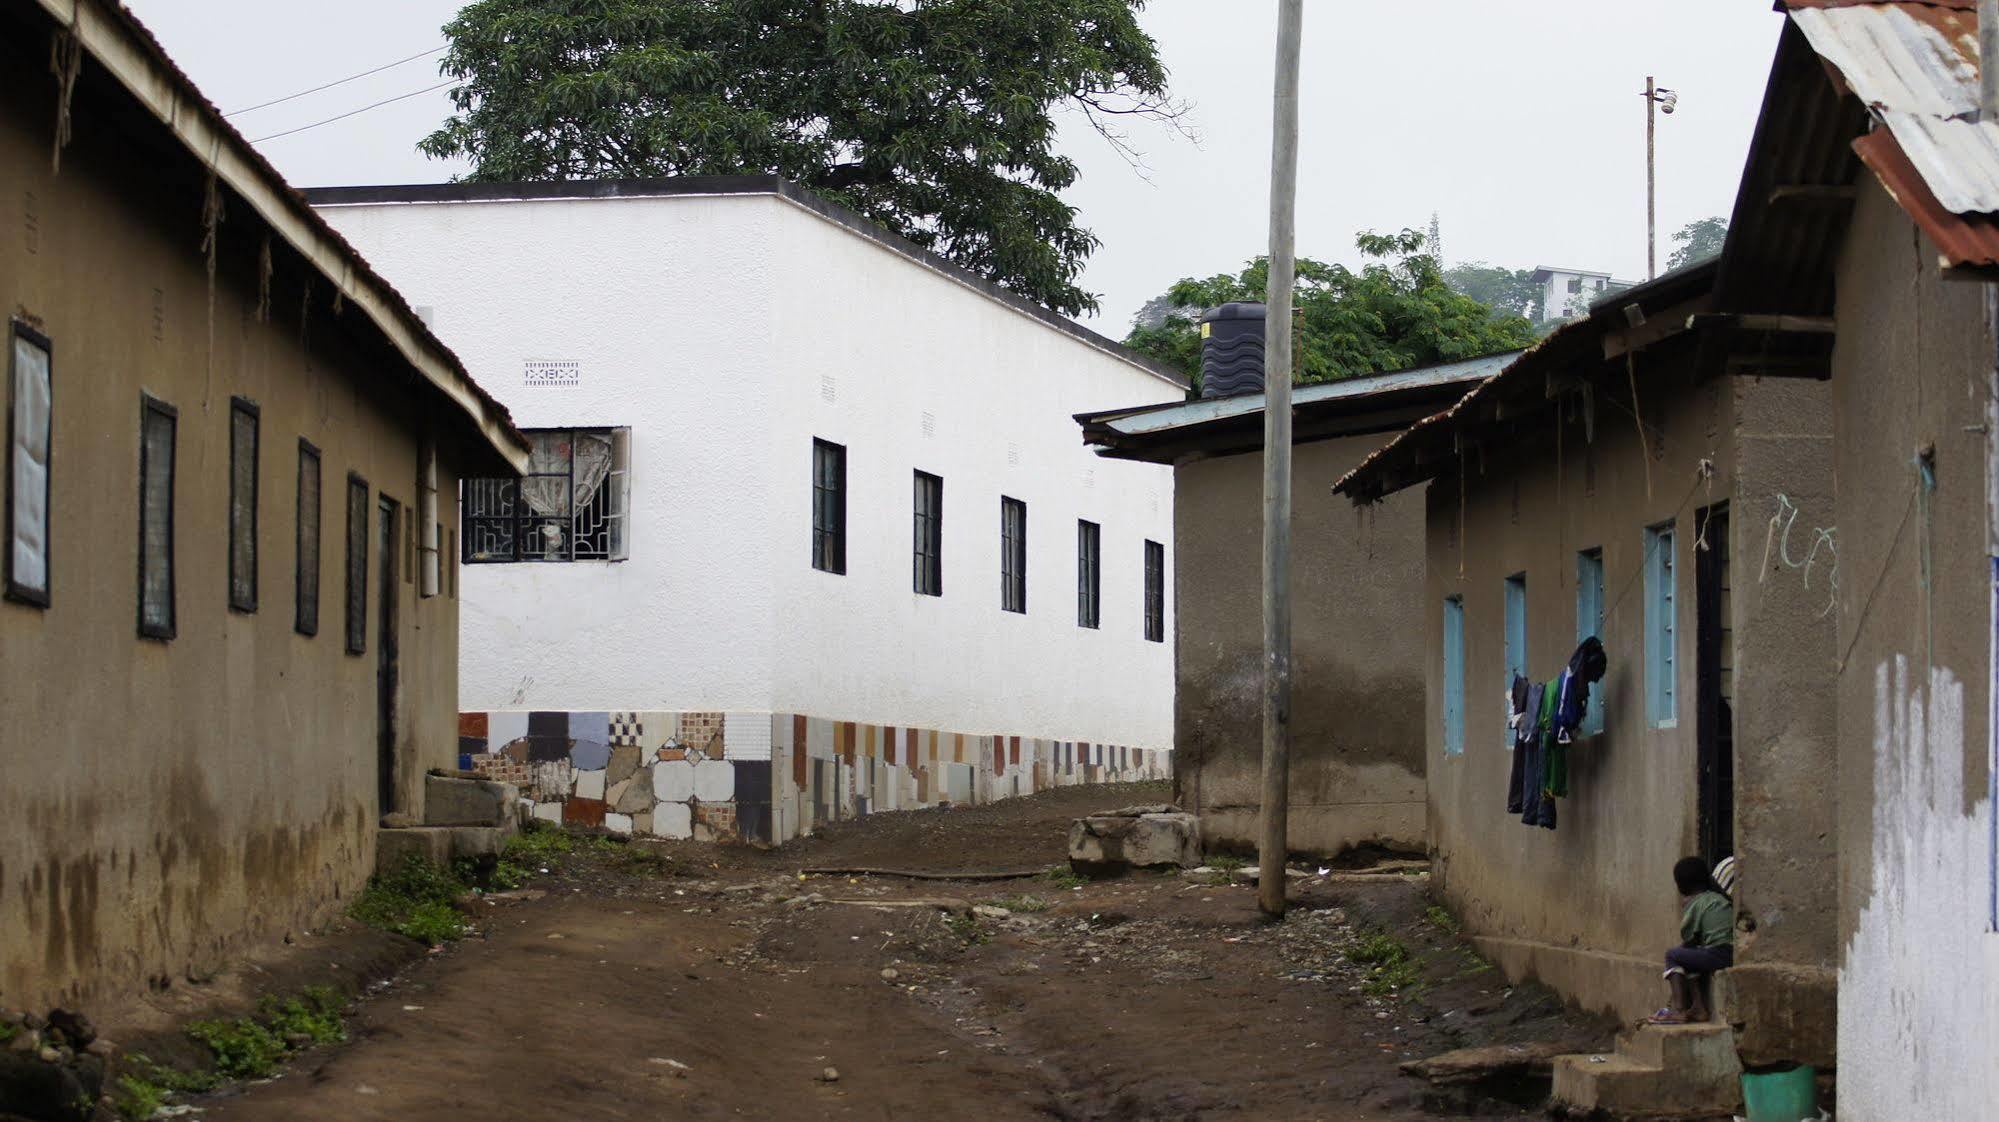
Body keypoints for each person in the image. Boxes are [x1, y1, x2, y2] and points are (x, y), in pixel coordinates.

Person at [1648, 856, 1734, 1024]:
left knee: (1673, 955)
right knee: (1689, 955)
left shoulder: (1696, 903)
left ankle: (1679, 1010)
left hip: (1720, 953)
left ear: (1681, 886)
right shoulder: (1717, 898)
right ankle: (1699, 1008)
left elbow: (1688, 937)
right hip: (1731, 951)